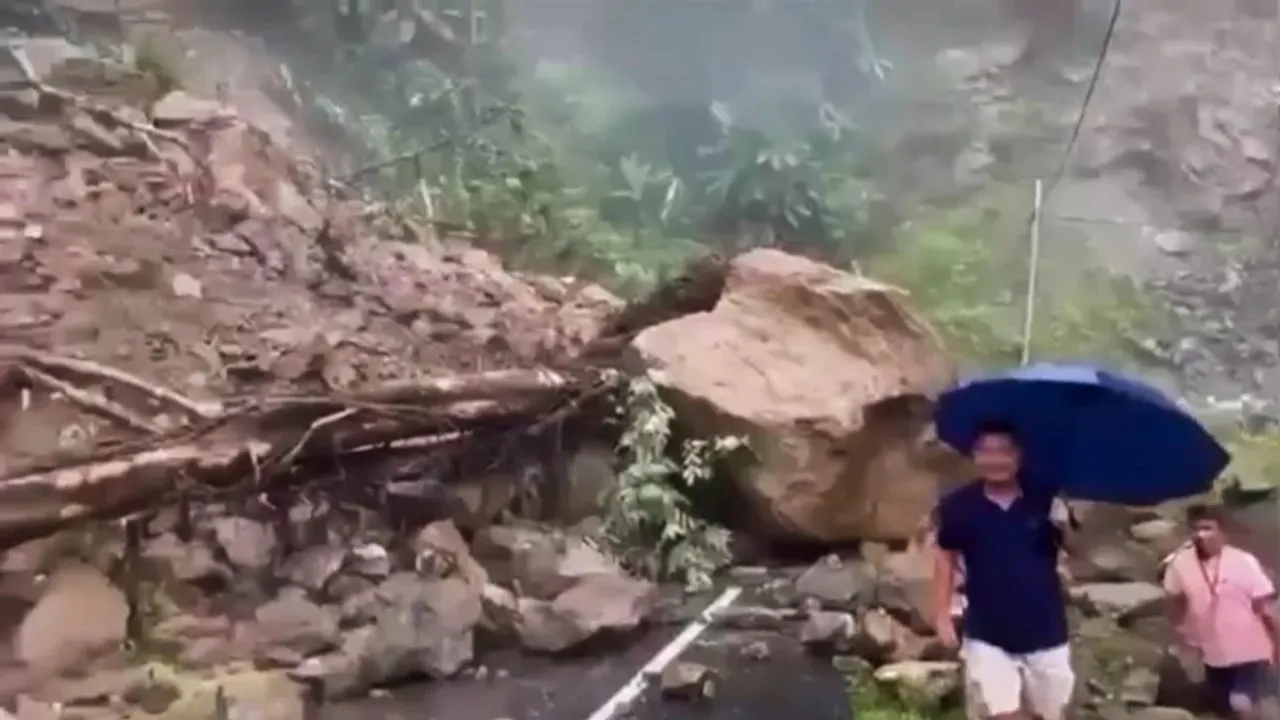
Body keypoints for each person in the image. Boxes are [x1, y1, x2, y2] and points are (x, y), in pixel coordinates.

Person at [932, 421, 1077, 720]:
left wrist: (1066, 525)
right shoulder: (958, 506)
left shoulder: (1044, 497)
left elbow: (1076, 551)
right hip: (987, 631)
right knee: (1001, 714)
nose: (994, 460)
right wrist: (941, 612)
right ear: (973, 456)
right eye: (985, 451)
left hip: (1046, 629)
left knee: (1049, 713)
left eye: (1004, 451)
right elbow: (945, 555)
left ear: (1019, 455)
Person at [1163, 504, 1279, 720]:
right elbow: (1175, 601)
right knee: (1221, 706)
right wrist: (1181, 635)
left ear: (1223, 532)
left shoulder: (1244, 561)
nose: (1201, 535)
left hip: (1250, 649)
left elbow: (1266, 607)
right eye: (1196, 530)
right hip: (1212, 652)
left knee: (1240, 702)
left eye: (1208, 528)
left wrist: (1277, 641)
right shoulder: (1180, 564)